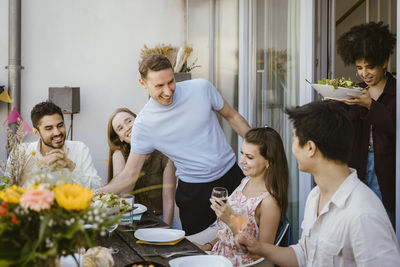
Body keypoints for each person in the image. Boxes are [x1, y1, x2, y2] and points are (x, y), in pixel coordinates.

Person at [100, 54, 251, 235]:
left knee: (244, 237)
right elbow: (130, 174)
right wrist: (99, 193)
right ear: (143, 84)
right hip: (194, 194)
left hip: (232, 178)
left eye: (170, 82)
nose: (168, 91)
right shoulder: (144, 124)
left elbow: (231, 116)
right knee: (200, 254)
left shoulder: (201, 88)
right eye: (159, 86)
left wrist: (261, 149)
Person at [236, 101, 400, 267]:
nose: (292, 149)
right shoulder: (315, 196)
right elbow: (304, 255)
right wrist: (259, 247)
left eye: (294, 140)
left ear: (310, 148)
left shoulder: (363, 213)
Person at [195, 127, 288, 267]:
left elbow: (263, 256)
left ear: (268, 161)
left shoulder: (269, 202)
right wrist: (208, 246)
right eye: (242, 154)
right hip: (216, 256)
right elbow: (225, 233)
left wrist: (231, 221)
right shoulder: (245, 182)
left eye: (249, 157)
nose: (242, 161)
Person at [336, 21, 396, 225]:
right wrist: (333, 103)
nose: (364, 73)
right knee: (360, 219)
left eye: (370, 67)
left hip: (387, 167)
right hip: (358, 164)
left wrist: (370, 105)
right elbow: (341, 127)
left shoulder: (395, 92)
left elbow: (393, 127)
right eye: (359, 68)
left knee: (384, 219)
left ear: (384, 62)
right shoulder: (354, 91)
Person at [7, 101, 102, 189]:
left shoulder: (79, 148)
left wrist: (71, 167)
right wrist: (38, 168)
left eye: (60, 125)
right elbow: (7, 191)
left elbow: (97, 188)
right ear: (36, 132)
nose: (57, 132)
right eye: (49, 128)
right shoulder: (20, 152)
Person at [107, 107, 176, 226]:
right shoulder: (119, 154)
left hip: (161, 219)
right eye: (120, 128)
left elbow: (168, 201)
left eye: (129, 121)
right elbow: (124, 194)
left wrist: (165, 231)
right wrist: (137, 152)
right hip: (132, 220)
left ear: (139, 120)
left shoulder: (165, 152)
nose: (127, 127)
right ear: (120, 138)